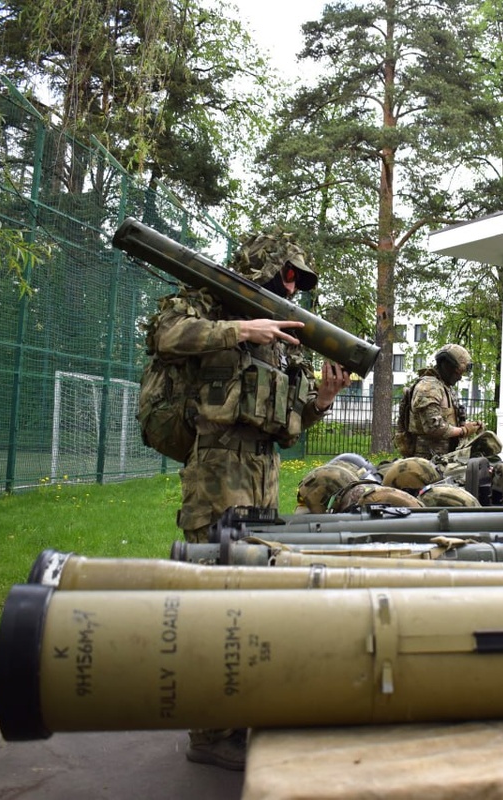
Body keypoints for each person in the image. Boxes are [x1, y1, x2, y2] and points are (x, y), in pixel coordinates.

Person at [147, 228, 351, 770]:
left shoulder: (281, 342)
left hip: (263, 476)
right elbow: (165, 333)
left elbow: (287, 424)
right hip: (216, 472)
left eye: (300, 280)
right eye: (287, 274)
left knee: (251, 597)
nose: (292, 287)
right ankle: (211, 733)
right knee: (214, 598)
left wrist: (323, 398)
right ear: (261, 267)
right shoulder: (206, 304)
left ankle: (239, 715)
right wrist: (240, 328)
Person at [399, 344, 482, 459]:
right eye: (457, 372)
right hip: (425, 460)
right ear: (446, 366)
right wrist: (464, 430)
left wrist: (470, 426)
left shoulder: (445, 387)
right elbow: (433, 427)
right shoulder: (428, 387)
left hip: (443, 458)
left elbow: (449, 421)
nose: (460, 378)